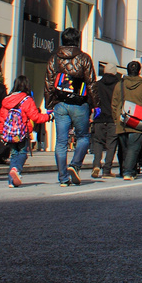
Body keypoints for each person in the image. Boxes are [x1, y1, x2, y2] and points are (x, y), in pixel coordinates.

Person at [44, 27, 101, 186]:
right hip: (79, 103)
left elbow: (48, 83)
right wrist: (96, 105)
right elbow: (91, 83)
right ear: (77, 41)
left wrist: (49, 105)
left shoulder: (54, 58)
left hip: (60, 104)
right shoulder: (84, 58)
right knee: (83, 137)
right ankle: (75, 165)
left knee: (61, 142)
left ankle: (62, 178)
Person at [0, 76, 51, 188]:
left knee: (13, 154)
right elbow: (35, 117)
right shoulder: (27, 100)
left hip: (9, 133)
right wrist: (48, 117)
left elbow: (2, 118)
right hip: (22, 133)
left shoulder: (6, 100)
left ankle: (11, 182)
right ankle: (16, 170)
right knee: (22, 153)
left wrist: (1, 132)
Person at [112, 60, 142, 181]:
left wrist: (116, 118)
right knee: (133, 147)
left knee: (124, 147)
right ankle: (129, 171)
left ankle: (125, 169)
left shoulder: (120, 84)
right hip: (138, 121)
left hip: (122, 120)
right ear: (139, 71)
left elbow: (114, 104)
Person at [90, 66, 121, 178]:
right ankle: (107, 169)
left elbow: (91, 99)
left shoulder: (97, 85)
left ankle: (96, 165)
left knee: (98, 142)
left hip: (99, 118)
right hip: (113, 119)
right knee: (111, 144)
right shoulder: (118, 85)